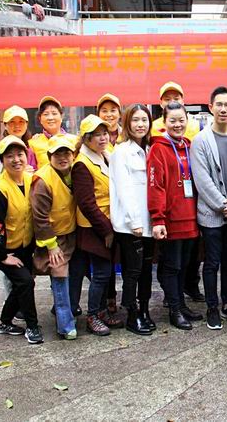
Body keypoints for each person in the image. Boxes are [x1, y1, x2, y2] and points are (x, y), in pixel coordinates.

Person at [191, 86, 227, 330]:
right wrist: (223, 204)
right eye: (219, 105)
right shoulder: (200, 140)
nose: (223, 109)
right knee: (212, 262)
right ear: (211, 107)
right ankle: (212, 307)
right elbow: (202, 179)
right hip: (211, 214)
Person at [0, 135, 43, 344]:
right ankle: (32, 327)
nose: (16, 160)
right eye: (10, 156)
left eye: (20, 154)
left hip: (23, 243)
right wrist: (3, 256)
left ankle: (4, 322)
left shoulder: (30, 179)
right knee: (25, 281)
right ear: (2, 161)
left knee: (23, 283)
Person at [148, 100, 203, 330]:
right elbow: (156, 186)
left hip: (191, 217)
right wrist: (157, 218)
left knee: (185, 264)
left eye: (181, 120)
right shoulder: (158, 148)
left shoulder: (189, 146)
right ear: (164, 121)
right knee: (172, 266)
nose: (178, 124)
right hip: (171, 219)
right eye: (173, 120)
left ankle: (181, 304)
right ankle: (174, 309)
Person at [69, 115, 123, 336]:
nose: (103, 138)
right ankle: (92, 316)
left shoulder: (105, 156)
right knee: (101, 273)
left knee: (105, 273)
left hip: (107, 222)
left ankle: (101, 312)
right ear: (86, 139)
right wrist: (106, 230)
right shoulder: (82, 164)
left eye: (105, 133)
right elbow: (87, 203)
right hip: (94, 227)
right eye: (97, 135)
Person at [109, 104, 156, 335]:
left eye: (144, 120)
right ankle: (131, 313)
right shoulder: (121, 152)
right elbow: (124, 189)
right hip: (131, 225)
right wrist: (134, 221)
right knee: (133, 271)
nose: (140, 125)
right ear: (127, 123)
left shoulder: (149, 149)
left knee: (146, 269)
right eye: (135, 120)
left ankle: (145, 309)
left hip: (149, 221)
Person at [30, 135, 78, 340]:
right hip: (52, 239)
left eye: (66, 153)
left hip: (72, 233)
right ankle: (66, 325)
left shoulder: (74, 172)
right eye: (57, 154)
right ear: (49, 156)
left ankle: (66, 311)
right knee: (59, 276)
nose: (63, 158)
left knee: (74, 275)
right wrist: (51, 245)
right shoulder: (43, 180)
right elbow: (39, 217)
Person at [96, 93, 122, 314]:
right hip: (103, 210)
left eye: (113, 110)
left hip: (124, 206)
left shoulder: (127, 136)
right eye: (104, 111)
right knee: (105, 257)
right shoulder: (94, 141)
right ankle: (109, 298)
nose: (109, 114)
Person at [0, 105, 34, 186]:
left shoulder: (31, 146)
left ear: (26, 124)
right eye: (12, 122)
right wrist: (17, 173)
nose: (17, 125)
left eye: (21, 122)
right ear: (5, 125)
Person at [29, 96, 77, 169]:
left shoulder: (75, 140)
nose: (50, 118)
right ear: (40, 119)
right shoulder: (33, 144)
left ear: (61, 116)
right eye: (46, 114)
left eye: (54, 113)